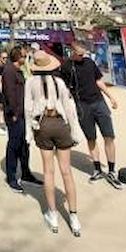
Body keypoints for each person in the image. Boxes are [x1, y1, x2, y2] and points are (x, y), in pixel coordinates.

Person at [25, 50, 82, 235]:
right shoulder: (59, 82)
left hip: (43, 124)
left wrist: (28, 133)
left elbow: (28, 108)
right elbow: (69, 107)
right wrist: (74, 131)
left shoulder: (31, 82)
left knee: (48, 171)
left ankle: (52, 213)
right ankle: (73, 216)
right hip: (60, 122)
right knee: (67, 172)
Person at [61, 42, 122, 189]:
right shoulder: (67, 67)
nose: (82, 57)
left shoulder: (89, 63)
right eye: (79, 54)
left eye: (84, 54)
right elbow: (63, 87)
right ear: (72, 52)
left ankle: (112, 170)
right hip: (83, 106)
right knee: (91, 138)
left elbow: (98, 81)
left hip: (99, 102)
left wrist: (111, 97)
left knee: (109, 136)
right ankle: (97, 168)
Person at [2, 46, 43, 193]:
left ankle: (26, 173)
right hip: (15, 114)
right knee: (14, 144)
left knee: (24, 144)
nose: (25, 58)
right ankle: (11, 176)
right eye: (24, 56)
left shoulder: (17, 70)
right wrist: (14, 112)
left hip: (23, 113)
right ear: (18, 57)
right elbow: (10, 93)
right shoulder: (9, 71)